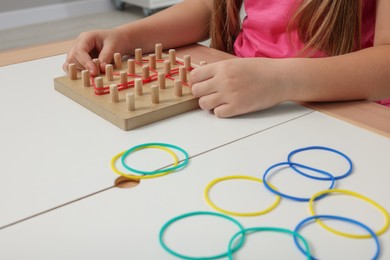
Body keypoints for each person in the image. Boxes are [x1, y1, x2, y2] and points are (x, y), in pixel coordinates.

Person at [63, 0, 390, 118]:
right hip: (233, 94)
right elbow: (210, 8)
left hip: (340, 111)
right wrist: (128, 36)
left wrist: (281, 80)